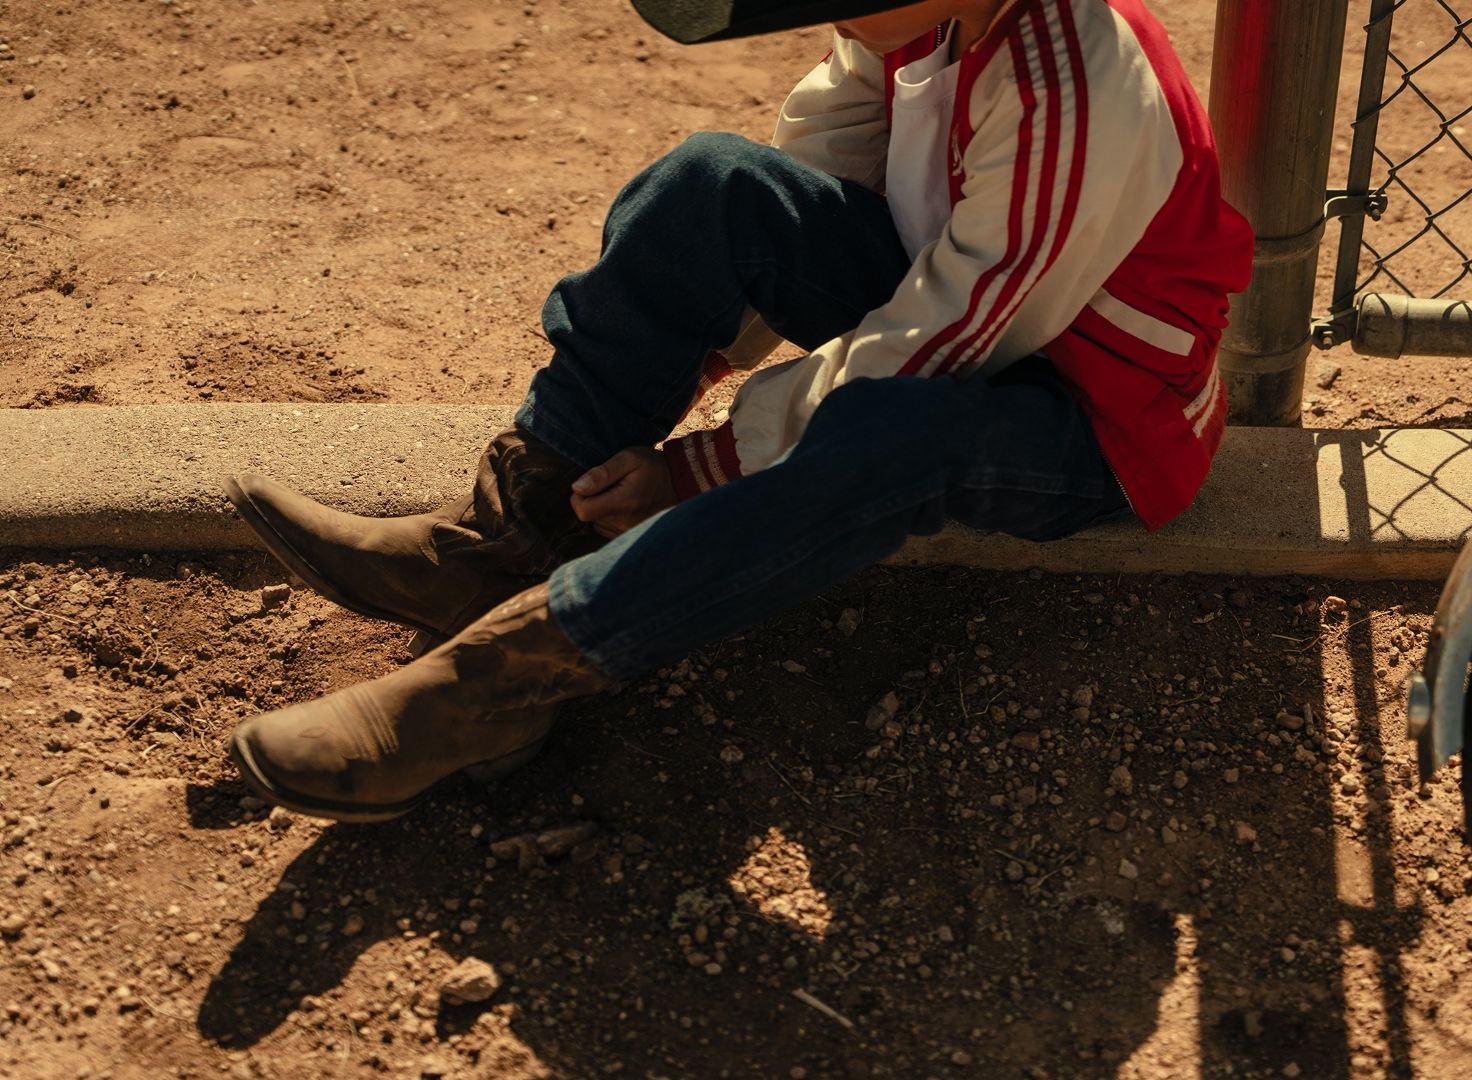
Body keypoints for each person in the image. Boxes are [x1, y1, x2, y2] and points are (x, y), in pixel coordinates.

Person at [222, 0, 1254, 821]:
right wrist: (715, 343)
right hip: (973, 320)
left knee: (885, 438)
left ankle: (498, 686)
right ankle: (502, 545)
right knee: (708, 183)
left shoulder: (1076, 82)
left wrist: (706, 465)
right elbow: (809, 180)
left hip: (1095, 420)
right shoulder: (917, 22)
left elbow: (946, 344)